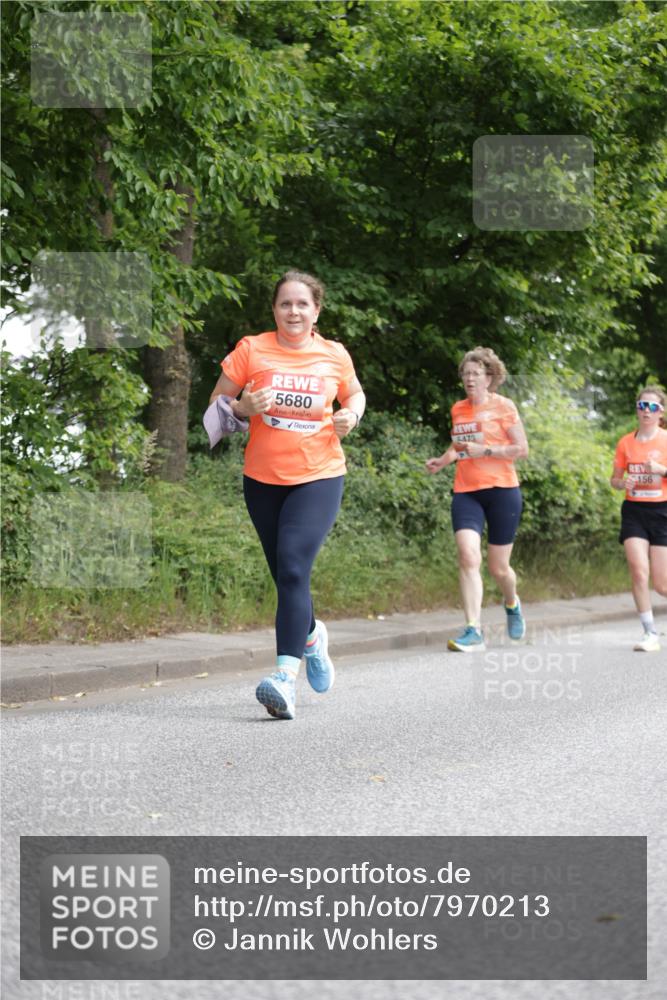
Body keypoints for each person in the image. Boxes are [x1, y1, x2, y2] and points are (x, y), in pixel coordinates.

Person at [209, 270, 365, 718]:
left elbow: (355, 395)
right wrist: (241, 407)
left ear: (316, 311)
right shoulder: (251, 350)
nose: (293, 311)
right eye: (285, 304)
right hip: (261, 479)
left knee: (295, 565)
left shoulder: (334, 354)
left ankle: (283, 677)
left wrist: (351, 416)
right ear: (274, 310)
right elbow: (217, 407)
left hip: (319, 475)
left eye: (302, 304)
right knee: (284, 574)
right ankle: (312, 635)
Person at [425, 347, 529, 651]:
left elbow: (521, 448)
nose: (469, 379)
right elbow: (459, 445)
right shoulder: (459, 409)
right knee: (468, 555)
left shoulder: (504, 406)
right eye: (465, 374)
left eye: (475, 374)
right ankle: (473, 629)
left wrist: (486, 451)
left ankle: (511, 602)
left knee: (500, 568)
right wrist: (442, 461)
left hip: (503, 492)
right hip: (467, 492)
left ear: (489, 377)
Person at [610, 386, 667, 653]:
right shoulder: (625, 443)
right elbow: (614, 480)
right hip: (633, 511)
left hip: (662, 511)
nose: (646, 410)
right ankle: (649, 633)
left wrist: (662, 470)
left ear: (661, 412)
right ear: (637, 409)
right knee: (638, 570)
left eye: (652, 407)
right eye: (642, 405)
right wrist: (624, 482)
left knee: (662, 584)